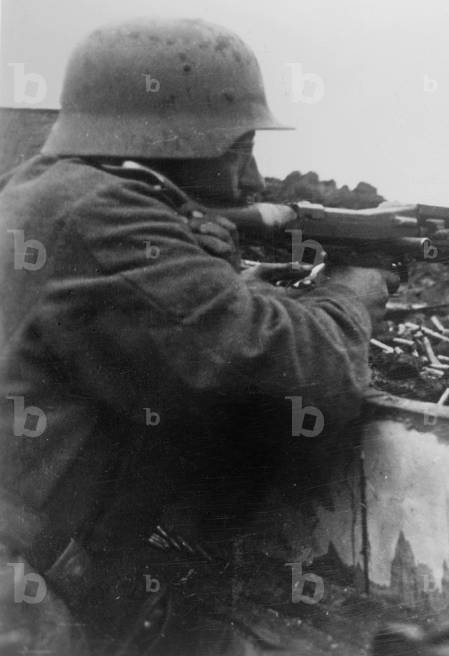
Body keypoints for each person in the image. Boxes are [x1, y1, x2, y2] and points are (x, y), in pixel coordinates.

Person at [0, 17, 392, 654]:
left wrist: (233, 289)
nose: (253, 181)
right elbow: (301, 376)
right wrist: (351, 294)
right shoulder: (103, 215)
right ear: (176, 140)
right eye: (240, 148)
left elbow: (143, 329)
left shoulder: (41, 194)